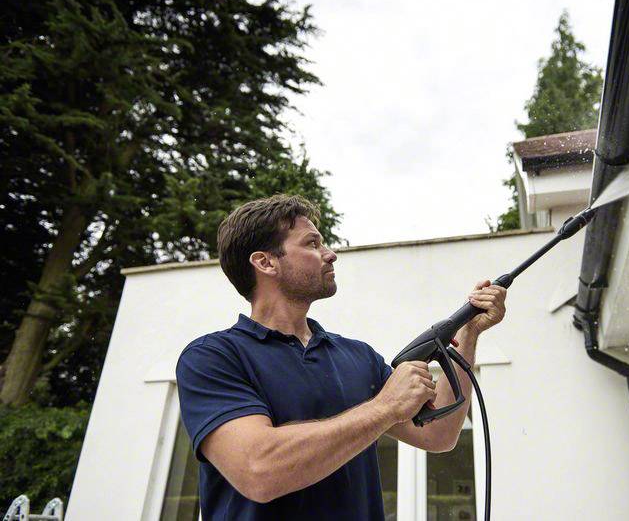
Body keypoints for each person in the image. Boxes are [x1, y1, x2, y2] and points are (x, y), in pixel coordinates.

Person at [175, 194, 507, 520]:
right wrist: (383, 408)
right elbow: (259, 470)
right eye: (312, 244)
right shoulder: (213, 358)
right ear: (265, 262)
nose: (330, 254)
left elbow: (439, 434)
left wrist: (469, 334)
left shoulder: (358, 357)